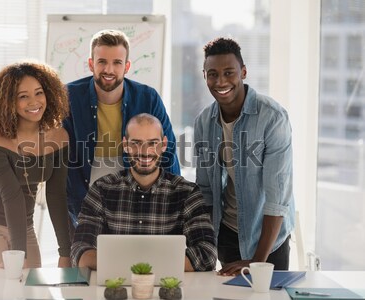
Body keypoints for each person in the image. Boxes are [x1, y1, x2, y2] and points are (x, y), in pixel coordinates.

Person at [0, 61, 72, 268]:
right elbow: (12, 195)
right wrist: (20, 256)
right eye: (23, 96)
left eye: (39, 93)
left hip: (23, 226)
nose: (34, 102)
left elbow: (56, 196)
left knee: (31, 291)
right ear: (9, 101)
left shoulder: (59, 137)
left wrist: (65, 252)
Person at [194, 37, 295, 276]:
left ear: (244, 72)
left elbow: (277, 199)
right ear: (205, 75)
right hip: (226, 233)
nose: (220, 81)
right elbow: (205, 190)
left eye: (229, 72)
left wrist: (257, 261)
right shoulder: (203, 122)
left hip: (269, 239)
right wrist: (205, 243)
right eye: (213, 74)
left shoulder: (272, 118)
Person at [71, 113, 217, 272]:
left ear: (164, 145)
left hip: (167, 290)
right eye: (136, 143)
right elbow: (80, 251)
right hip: (115, 289)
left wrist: (130, 264)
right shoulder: (102, 189)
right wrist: (155, 263)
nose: (145, 152)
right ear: (125, 145)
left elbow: (207, 254)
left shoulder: (187, 192)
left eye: (153, 143)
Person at [63, 29, 180, 227]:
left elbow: (167, 153)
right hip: (85, 196)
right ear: (91, 64)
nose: (109, 70)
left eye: (117, 63)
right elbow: (66, 161)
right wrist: (83, 212)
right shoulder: (69, 97)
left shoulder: (148, 98)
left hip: (136, 194)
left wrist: (171, 205)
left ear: (127, 66)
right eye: (102, 62)